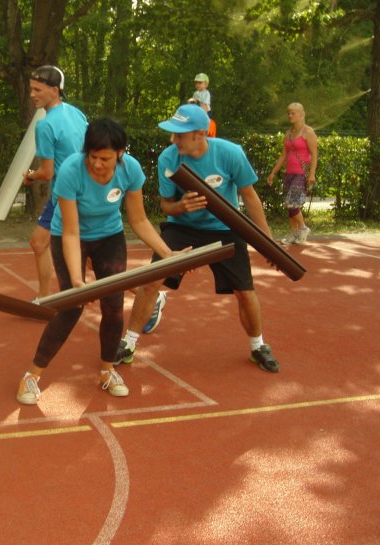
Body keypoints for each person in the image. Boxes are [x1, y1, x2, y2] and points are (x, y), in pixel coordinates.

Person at [16, 118, 177, 405]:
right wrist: (78, 281)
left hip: (109, 236)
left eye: (105, 158)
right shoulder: (71, 171)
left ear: (120, 153)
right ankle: (31, 375)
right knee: (71, 306)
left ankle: (107, 371)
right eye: (93, 157)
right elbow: (71, 231)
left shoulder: (131, 170)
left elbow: (139, 220)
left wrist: (167, 253)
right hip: (69, 235)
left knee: (114, 306)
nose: (98, 164)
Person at [114, 104, 281, 373]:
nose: (173, 140)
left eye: (179, 135)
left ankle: (258, 346)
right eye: (172, 134)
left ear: (200, 134)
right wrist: (182, 207)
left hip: (225, 228)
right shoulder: (168, 158)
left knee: (245, 291)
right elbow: (166, 206)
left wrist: (268, 242)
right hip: (182, 227)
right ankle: (129, 343)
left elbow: (250, 197)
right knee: (151, 279)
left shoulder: (230, 153)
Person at [22, 65, 88, 299]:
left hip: (65, 194)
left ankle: (147, 295)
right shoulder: (77, 113)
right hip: (83, 190)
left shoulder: (45, 125)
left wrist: (30, 175)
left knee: (84, 255)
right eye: (31, 89)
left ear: (54, 90)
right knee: (41, 243)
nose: (32, 95)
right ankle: (44, 299)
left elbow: (47, 172)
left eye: (37, 90)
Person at [267, 102, 317, 244]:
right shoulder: (288, 133)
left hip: (301, 174)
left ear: (302, 114)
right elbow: (283, 155)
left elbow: (314, 155)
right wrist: (273, 172)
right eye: (288, 113)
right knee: (290, 206)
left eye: (293, 113)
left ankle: (303, 228)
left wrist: (312, 174)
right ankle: (294, 234)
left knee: (292, 203)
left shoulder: (308, 132)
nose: (290, 115)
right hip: (289, 173)